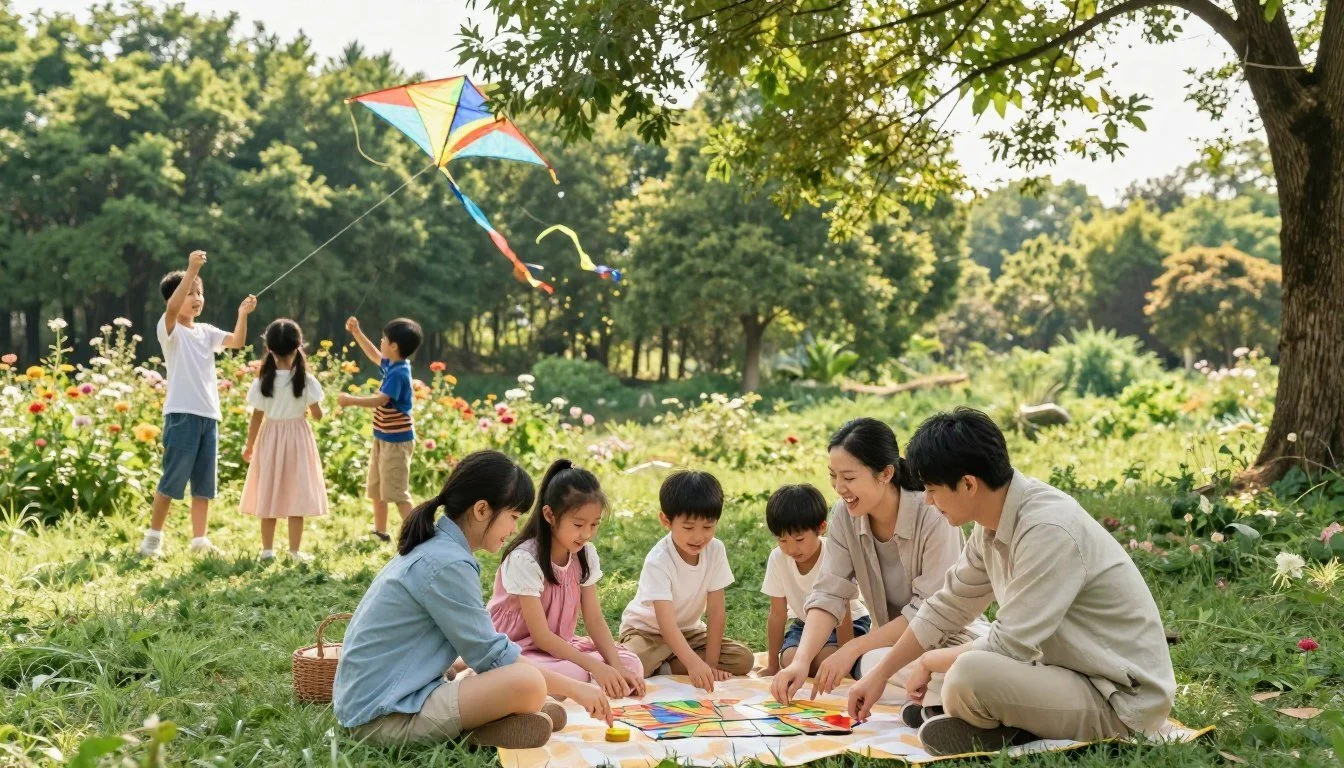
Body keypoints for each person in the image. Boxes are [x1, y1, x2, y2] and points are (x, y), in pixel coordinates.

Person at [846, 408, 1176, 757]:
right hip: (1059, 672)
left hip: (1119, 699)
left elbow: (1009, 646)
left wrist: (930, 662)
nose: (927, 500)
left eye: (932, 489)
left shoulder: (1047, 529)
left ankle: (1005, 727)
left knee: (967, 673)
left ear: (969, 484)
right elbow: (946, 606)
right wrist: (880, 674)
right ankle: (998, 725)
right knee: (901, 664)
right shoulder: (991, 523)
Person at [333, 450, 612, 749]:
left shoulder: (440, 549)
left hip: (387, 698)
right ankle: (478, 730)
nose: (515, 529)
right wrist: (578, 689)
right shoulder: (447, 563)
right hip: (383, 718)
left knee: (525, 682)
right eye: (513, 517)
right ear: (482, 510)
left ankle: (503, 720)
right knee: (527, 684)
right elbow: (492, 656)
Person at [772, 417, 984, 706]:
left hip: (953, 638)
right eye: (833, 476)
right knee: (871, 664)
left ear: (885, 473)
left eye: (849, 478)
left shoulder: (934, 512)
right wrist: (800, 660)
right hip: (891, 648)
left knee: (889, 663)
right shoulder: (845, 515)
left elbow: (931, 611)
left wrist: (853, 646)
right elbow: (829, 592)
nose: (839, 487)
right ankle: (941, 701)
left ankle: (959, 694)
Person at [488, 459, 645, 698]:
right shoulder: (525, 559)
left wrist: (615, 666)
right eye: (579, 524)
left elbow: (594, 618)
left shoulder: (584, 555)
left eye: (594, 524)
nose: (587, 534)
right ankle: (483, 673)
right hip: (520, 649)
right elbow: (540, 636)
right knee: (575, 673)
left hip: (559, 648)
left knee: (631, 663)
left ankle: (576, 684)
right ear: (550, 515)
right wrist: (595, 667)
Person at [138, 249, 256, 558]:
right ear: (175, 298)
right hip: (182, 414)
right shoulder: (170, 330)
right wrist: (191, 270)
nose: (196, 298)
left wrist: (242, 315)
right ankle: (153, 538)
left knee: (204, 484)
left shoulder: (206, 332)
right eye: (190, 293)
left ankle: (199, 540)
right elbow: (175, 307)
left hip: (208, 415)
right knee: (172, 478)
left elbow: (237, 341)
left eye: (199, 293)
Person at [618, 470, 754, 691]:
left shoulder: (716, 550)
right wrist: (693, 663)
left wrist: (709, 665)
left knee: (743, 659)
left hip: (690, 632)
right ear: (666, 520)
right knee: (629, 666)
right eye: (689, 527)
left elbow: (716, 611)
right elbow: (666, 623)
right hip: (648, 632)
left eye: (708, 527)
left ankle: (665, 667)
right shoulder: (659, 559)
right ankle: (667, 662)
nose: (699, 537)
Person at [760, 484, 870, 677]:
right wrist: (772, 665)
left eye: (799, 539)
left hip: (848, 623)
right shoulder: (778, 558)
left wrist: (844, 660)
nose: (791, 549)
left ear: (821, 527)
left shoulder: (834, 554)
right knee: (788, 660)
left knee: (825, 662)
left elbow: (843, 611)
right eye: (782, 541)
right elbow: (777, 614)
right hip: (804, 624)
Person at [239, 318, 327, 562]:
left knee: (269, 492)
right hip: (298, 439)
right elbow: (318, 416)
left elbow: (256, 418)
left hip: (270, 438)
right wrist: (314, 411)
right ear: (299, 346)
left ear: (268, 348)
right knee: (296, 493)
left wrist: (249, 446)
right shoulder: (306, 381)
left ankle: (267, 551)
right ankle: (294, 551)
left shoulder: (262, 381)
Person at [338, 315, 420, 543]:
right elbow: (374, 353)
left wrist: (350, 400)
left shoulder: (399, 373)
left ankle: (420, 535)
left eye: (384, 339)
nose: (381, 342)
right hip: (383, 438)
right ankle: (380, 532)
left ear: (394, 346)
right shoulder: (392, 363)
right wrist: (357, 332)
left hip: (396, 441)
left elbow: (380, 400)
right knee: (377, 489)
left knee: (397, 492)